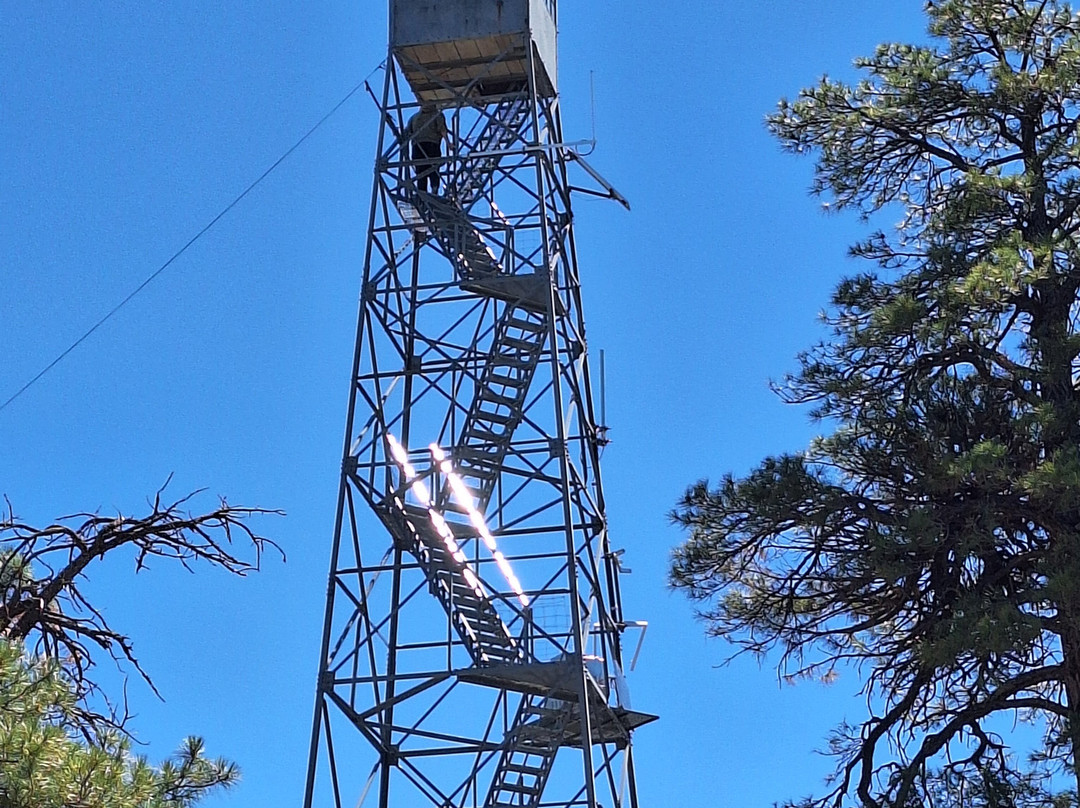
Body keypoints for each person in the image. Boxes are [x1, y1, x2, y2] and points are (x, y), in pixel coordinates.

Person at [405, 101, 449, 194]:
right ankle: (423, 193)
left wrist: (448, 143)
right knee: (422, 171)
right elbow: (407, 133)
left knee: (432, 169)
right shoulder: (414, 118)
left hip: (431, 144)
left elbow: (442, 130)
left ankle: (433, 189)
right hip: (418, 146)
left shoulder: (436, 115)